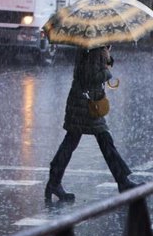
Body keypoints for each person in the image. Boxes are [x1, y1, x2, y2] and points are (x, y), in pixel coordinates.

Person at [45, 46, 139, 202]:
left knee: (75, 141)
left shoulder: (93, 47)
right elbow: (90, 77)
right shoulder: (94, 49)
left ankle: (54, 182)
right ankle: (123, 182)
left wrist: (107, 59)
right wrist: (107, 72)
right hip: (85, 104)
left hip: (83, 101)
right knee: (101, 141)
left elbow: (86, 72)